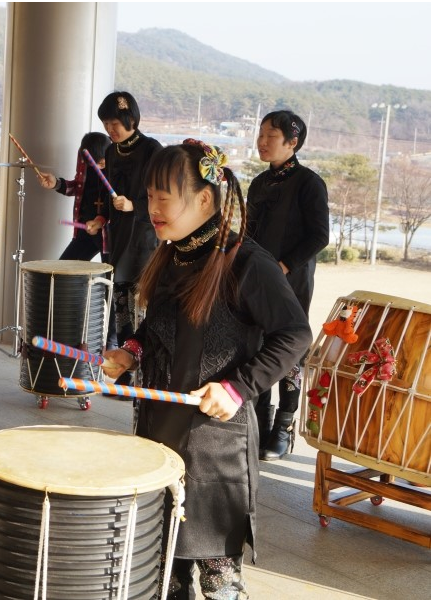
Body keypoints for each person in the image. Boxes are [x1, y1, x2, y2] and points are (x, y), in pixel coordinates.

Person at [102, 140, 312, 600]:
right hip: (159, 434)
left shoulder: (248, 263)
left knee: (220, 583)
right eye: (149, 195)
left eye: (164, 197)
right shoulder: (172, 254)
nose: (152, 207)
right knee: (163, 577)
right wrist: (130, 353)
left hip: (216, 448)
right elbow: (154, 331)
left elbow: (295, 337)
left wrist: (237, 388)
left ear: (203, 199)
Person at [247, 110, 329, 461]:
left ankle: (283, 427)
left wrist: (283, 265)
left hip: (291, 282)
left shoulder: (309, 182)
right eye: (261, 134)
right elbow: (249, 233)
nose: (262, 142)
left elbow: (320, 236)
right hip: (256, 280)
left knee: (289, 349)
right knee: (256, 346)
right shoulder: (258, 183)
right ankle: (260, 423)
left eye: (271, 136)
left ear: (292, 143)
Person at [96, 91, 162, 356]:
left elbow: (162, 194)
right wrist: (101, 217)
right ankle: (125, 361)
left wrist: (135, 205)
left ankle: (141, 367)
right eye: (106, 125)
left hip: (144, 235)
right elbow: (107, 190)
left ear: (131, 119)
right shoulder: (111, 152)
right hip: (120, 234)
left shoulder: (152, 149)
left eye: (114, 124)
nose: (110, 130)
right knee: (120, 301)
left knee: (141, 302)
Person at [36, 132, 110, 260]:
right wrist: (57, 184)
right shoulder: (84, 155)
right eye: (93, 165)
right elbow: (79, 187)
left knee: (113, 278)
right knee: (63, 272)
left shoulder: (120, 158)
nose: (97, 168)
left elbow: (122, 202)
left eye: (102, 164)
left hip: (109, 232)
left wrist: (101, 222)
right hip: (85, 227)